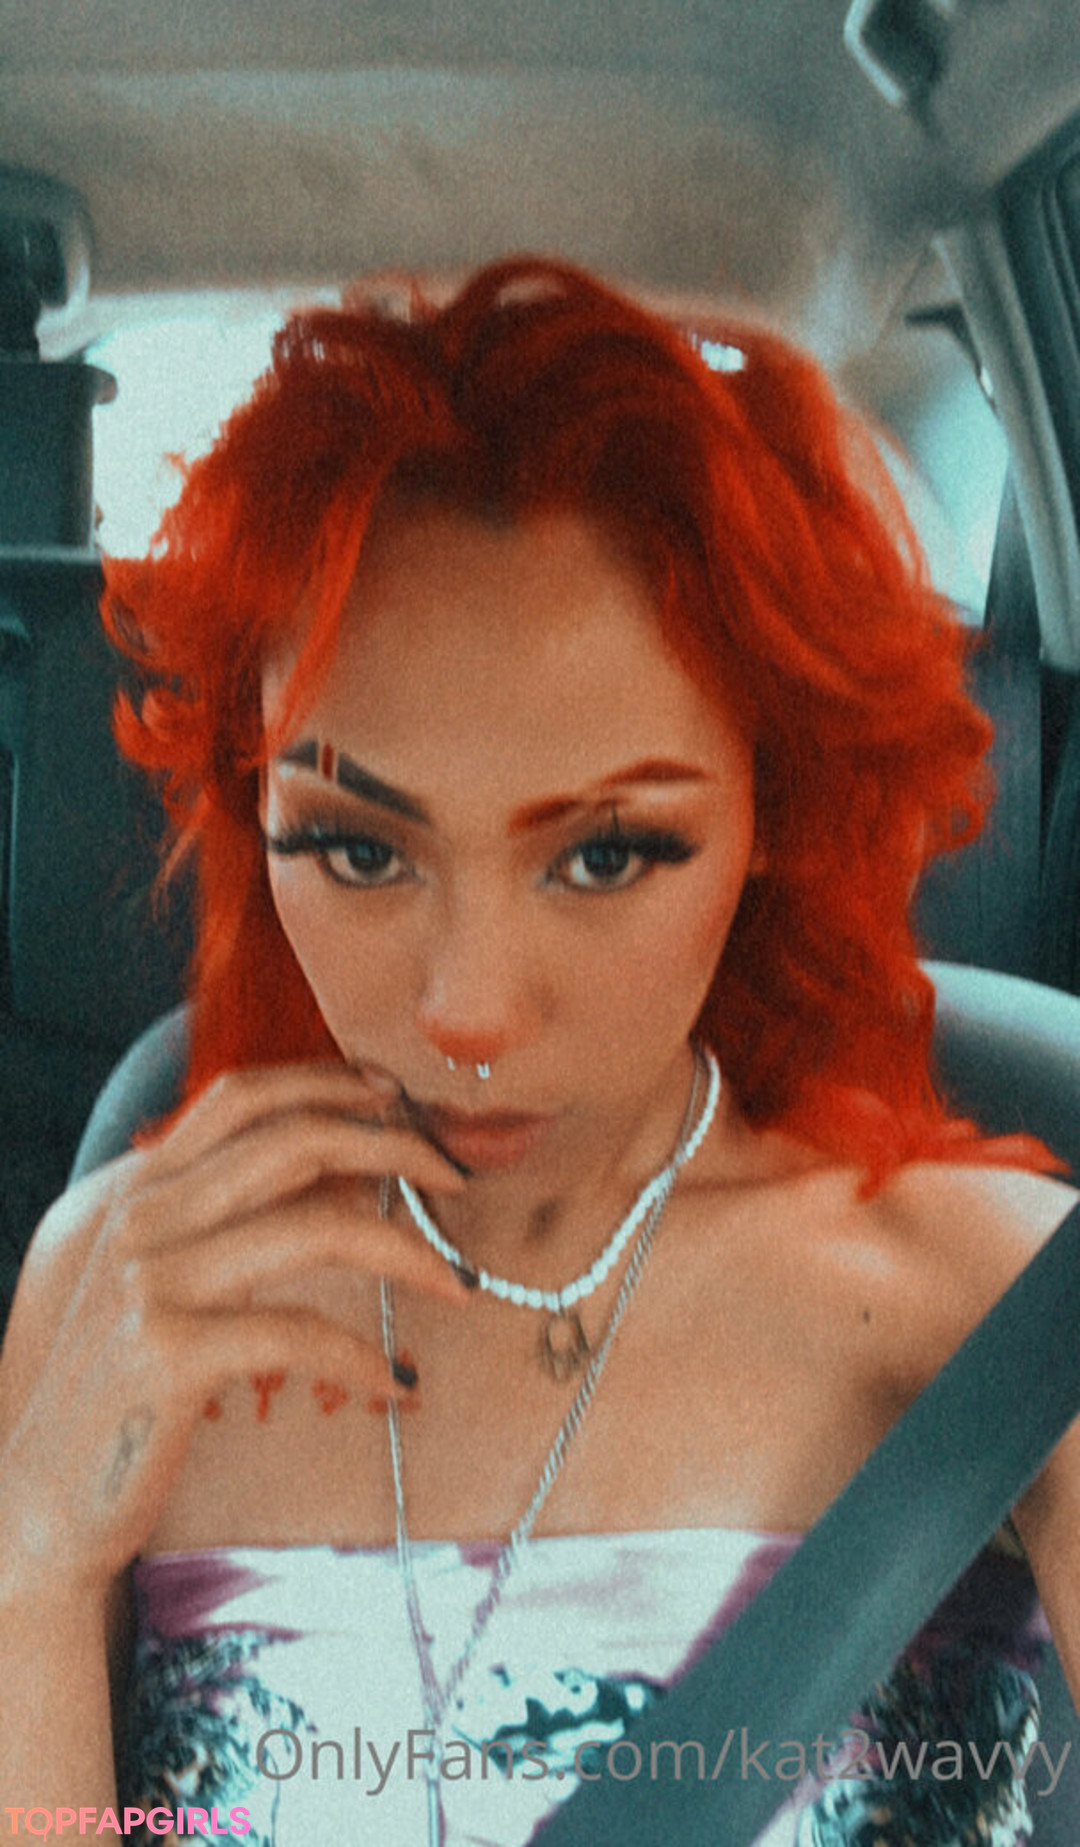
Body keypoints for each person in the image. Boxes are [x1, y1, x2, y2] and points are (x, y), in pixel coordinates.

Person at [0, 256, 1076, 1847]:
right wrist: (30, 1562)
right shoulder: (119, 1291)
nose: (470, 1011)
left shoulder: (1001, 1313)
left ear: (774, 817)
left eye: (607, 853)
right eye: (359, 848)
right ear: (254, 815)